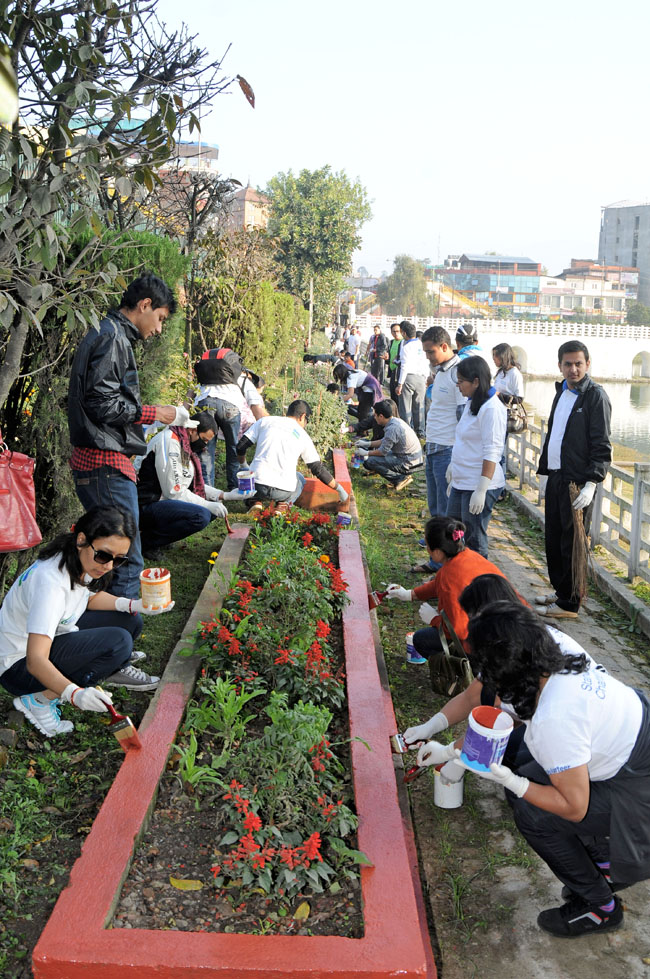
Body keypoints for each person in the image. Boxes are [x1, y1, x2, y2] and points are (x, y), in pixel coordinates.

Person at [419, 602, 650, 938]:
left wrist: (515, 783)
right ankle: (604, 864)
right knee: (530, 771)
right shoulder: (544, 646)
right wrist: (449, 749)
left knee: (534, 814)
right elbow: (504, 717)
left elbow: (574, 807)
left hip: (638, 781)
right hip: (631, 731)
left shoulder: (555, 718)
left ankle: (600, 907)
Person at [0, 506, 176, 737]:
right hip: (18, 667)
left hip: (53, 637)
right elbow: (36, 661)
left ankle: (112, 665)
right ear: (82, 539)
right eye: (104, 555)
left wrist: (134, 605)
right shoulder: (51, 585)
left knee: (130, 621)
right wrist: (73, 694)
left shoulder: (76, 557)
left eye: (118, 560)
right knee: (119, 643)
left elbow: (87, 598)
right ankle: (39, 700)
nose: (108, 566)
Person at [68, 273, 192, 599]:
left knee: (104, 554)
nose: (159, 329)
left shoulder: (109, 333)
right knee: (124, 556)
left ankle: (101, 623)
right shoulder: (112, 338)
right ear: (144, 305)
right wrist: (154, 413)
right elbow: (102, 403)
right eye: (160, 318)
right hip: (105, 464)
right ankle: (123, 627)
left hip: (99, 462)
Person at [537, 341, 611, 619]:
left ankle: (570, 603)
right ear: (560, 365)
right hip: (557, 477)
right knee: (554, 539)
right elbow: (554, 435)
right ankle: (561, 592)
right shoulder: (562, 392)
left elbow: (601, 445)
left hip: (577, 485)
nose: (573, 369)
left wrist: (592, 482)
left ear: (587, 364)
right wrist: (545, 471)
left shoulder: (595, 397)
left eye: (578, 363)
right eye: (567, 364)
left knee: (573, 543)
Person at [386, 516, 510, 660]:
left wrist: (435, 620)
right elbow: (437, 583)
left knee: (421, 639)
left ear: (438, 552)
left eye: (427, 545)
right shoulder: (468, 555)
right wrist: (409, 594)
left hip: (492, 645)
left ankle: (465, 667)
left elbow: (459, 631)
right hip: (510, 628)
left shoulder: (450, 579)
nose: (427, 549)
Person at [137, 411, 237, 560]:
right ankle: (146, 542)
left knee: (211, 509)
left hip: (162, 500)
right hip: (146, 503)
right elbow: (174, 491)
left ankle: (160, 536)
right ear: (192, 430)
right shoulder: (170, 442)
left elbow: (191, 484)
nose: (204, 445)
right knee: (201, 515)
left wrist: (224, 495)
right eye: (203, 439)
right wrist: (206, 504)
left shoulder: (183, 444)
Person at [236, 400, 349, 511]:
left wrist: (244, 465)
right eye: (307, 421)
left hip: (256, 485)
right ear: (302, 416)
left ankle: (254, 501)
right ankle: (283, 506)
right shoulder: (303, 436)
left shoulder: (265, 421)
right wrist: (339, 489)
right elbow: (317, 469)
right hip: (283, 491)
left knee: (246, 473)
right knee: (300, 478)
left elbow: (241, 446)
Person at [446, 356, 507, 558]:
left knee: (473, 537)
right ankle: (457, 572)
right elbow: (463, 438)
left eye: (461, 381)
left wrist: (481, 489)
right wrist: (454, 468)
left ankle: (478, 575)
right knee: (452, 531)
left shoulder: (492, 408)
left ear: (476, 381)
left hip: (479, 482)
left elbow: (492, 451)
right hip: (462, 479)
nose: (458, 386)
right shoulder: (472, 402)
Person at [194, 349, 268, 491]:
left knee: (206, 449)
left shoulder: (205, 379)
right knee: (233, 447)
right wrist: (271, 425)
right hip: (230, 408)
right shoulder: (242, 379)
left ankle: (208, 491)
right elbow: (256, 406)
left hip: (205, 404)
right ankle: (234, 486)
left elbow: (189, 397)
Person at [356, 400, 422, 491]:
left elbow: (382, 452)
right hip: (409, 457)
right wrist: (367, 444)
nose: (374, 418)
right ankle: (396, 475)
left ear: (381, 416)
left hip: (409, 463)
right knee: (371, 457)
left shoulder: (392, 429)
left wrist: (366, 453)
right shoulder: (394, 421)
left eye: (375, 415)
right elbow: (384, 441)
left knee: (371, 461)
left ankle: (400, 478)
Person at [492, 342, 525, 494]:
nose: (494, 359)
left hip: (505, 415)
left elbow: (520, 398)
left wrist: (500, 395)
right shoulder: (500, 372)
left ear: (503, 356)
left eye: (496, 356)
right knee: (495, 449)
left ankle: (501, 488)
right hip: (496, 413)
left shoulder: (514, 374)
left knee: (500, 451)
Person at [396, 321, 428, 437]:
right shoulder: (422, 345)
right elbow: (426, 362)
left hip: (409, 377)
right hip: (421, 377)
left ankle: (407, 430)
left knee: (405, 405)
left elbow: (404, 366)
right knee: (419, 406)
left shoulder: (406, 347)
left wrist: (400, 384)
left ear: (404, 333)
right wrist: (425, 378)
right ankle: (420, 431)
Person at [332, 362, 384, 435]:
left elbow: (350, 394)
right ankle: (363, 432)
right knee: (361, 411)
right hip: (368, 387)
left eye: (338, 376)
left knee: (363, 413)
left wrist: (338, 401)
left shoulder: (350, 378)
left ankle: (362, 433)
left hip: (370, 389)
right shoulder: (351, 372)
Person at [387, 323, 403, 403]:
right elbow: (389, 357)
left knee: (398, 396)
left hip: (399, 372)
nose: (396, 333)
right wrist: (387, 358)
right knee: (392, 395)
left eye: (398, 331)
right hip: (393, 371)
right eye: (394, 331)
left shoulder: (403, 343)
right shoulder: (391, 342)